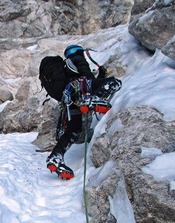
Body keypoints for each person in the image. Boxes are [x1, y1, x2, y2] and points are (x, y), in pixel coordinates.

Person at [46, 44, 121, 179]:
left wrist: (100, 76)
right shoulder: (77, 59)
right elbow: (88, 79)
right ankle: (91, 100)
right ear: (79, 52)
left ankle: (55, 157)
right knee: (114, 82)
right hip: (81, 90)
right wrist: (102, 79)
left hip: (70, 99)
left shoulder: (66, 67)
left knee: (73, 131)